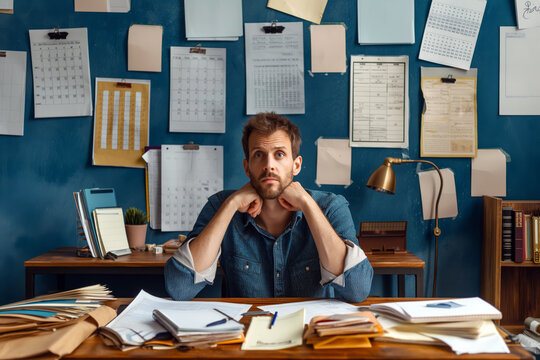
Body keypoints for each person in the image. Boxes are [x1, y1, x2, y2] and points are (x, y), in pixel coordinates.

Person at [164, 112, 373, 302]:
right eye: (258, 154)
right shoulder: (220, 206)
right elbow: (180, 288)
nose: (269, 165)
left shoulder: (330, 207)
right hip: (245, 333)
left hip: (309, 334)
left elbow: (357, 290)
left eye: (279, 154)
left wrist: (308, 205)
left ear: (296, 165)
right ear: (247, 168)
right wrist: (232, 204)